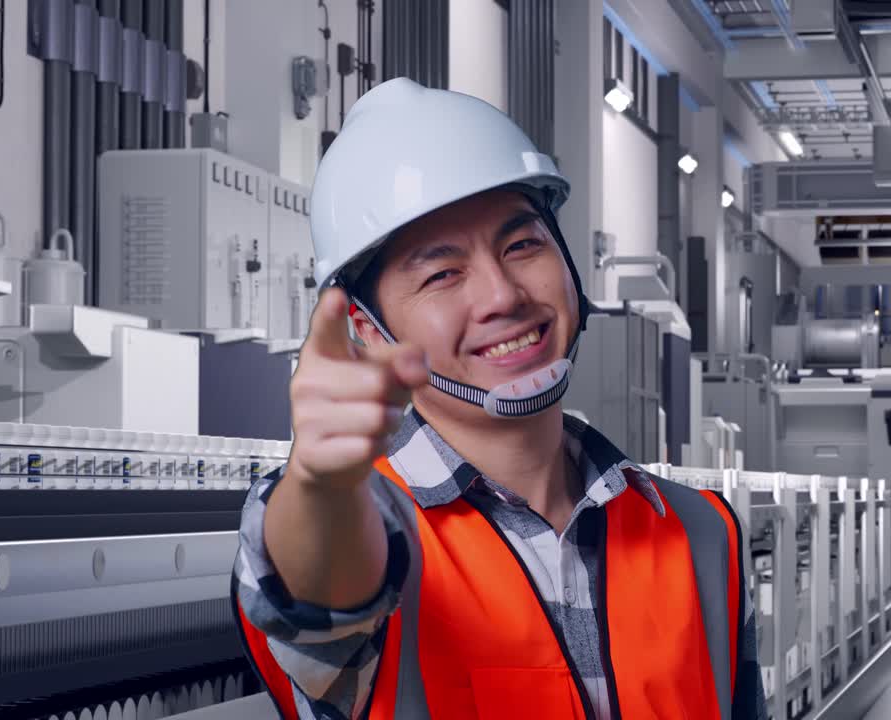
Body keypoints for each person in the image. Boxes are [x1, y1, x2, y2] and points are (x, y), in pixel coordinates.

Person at [231, 77, 769, 720]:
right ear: (371, 330)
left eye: (522, 244)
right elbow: (318, 590)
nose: (504, 295)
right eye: (442, 273)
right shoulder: (367, 528)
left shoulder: (703, 532)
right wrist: (321, 482)